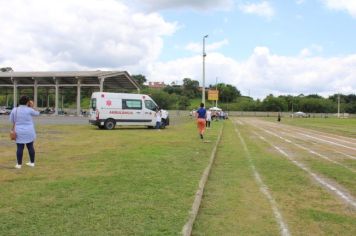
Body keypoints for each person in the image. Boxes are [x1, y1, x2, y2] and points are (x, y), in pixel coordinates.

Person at [9, 96, 40, 169]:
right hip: (29, 130)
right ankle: (32, 163)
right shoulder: (29, 110)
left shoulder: (15, 110)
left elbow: (11, 120)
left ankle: (19, 164)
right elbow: (37, 113)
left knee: (20, 147)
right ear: (27, 102)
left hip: (19, 131)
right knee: (30, 146)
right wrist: (32, 106)